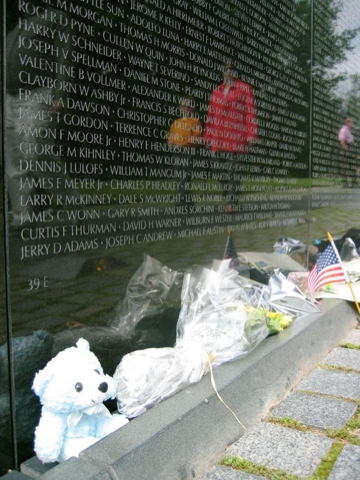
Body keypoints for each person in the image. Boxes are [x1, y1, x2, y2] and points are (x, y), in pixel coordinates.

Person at [203, 60, 257, 212]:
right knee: (218, 170)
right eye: (226, 69)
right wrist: (207, 135)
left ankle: (231, 202)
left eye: (231, 69)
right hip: (218, 137)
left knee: (233, 171)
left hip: (236, 137)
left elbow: (250, 112)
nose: (229, 72)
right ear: (222, 72)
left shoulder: (245, 89)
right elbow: (211, 115)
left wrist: (251, 133)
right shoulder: (216, 91)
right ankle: (229, 195)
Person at [168, 95, 202, 206]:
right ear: (180, 107)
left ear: (193, 108)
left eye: (188, 106)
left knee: (185, 175)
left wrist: (182, 143)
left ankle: (181, 198)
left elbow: (195, 138)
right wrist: (171, 143)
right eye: (184, 106)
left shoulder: (195, 122)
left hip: (188, 152)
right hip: (177, 152)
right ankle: (188, 201)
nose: (186, 108)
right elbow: (171, 136)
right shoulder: (176, 122)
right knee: (178, 175)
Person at [338, 117, 357, 187]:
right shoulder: (344, 130)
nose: (352, 124)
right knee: (345, 166)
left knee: (352, 166)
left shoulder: (349, 130)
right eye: (351, 122)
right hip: (346, 149)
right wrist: (346, 149)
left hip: (350, 148)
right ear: (347, 123)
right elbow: (342, 141)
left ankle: (354, 183)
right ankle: (345, 183)